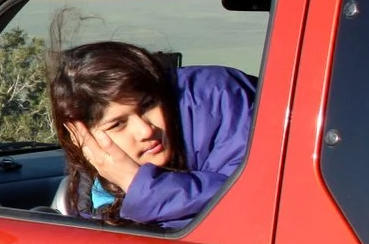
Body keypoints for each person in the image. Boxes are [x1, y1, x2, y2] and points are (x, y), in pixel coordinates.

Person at [47, 40, 257, 231]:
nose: (146, 131)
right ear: (82, 138)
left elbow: (252, 207)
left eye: (148, 106)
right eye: (118, 124)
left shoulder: (223, 102)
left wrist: (136, 183)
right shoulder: (93, 199)